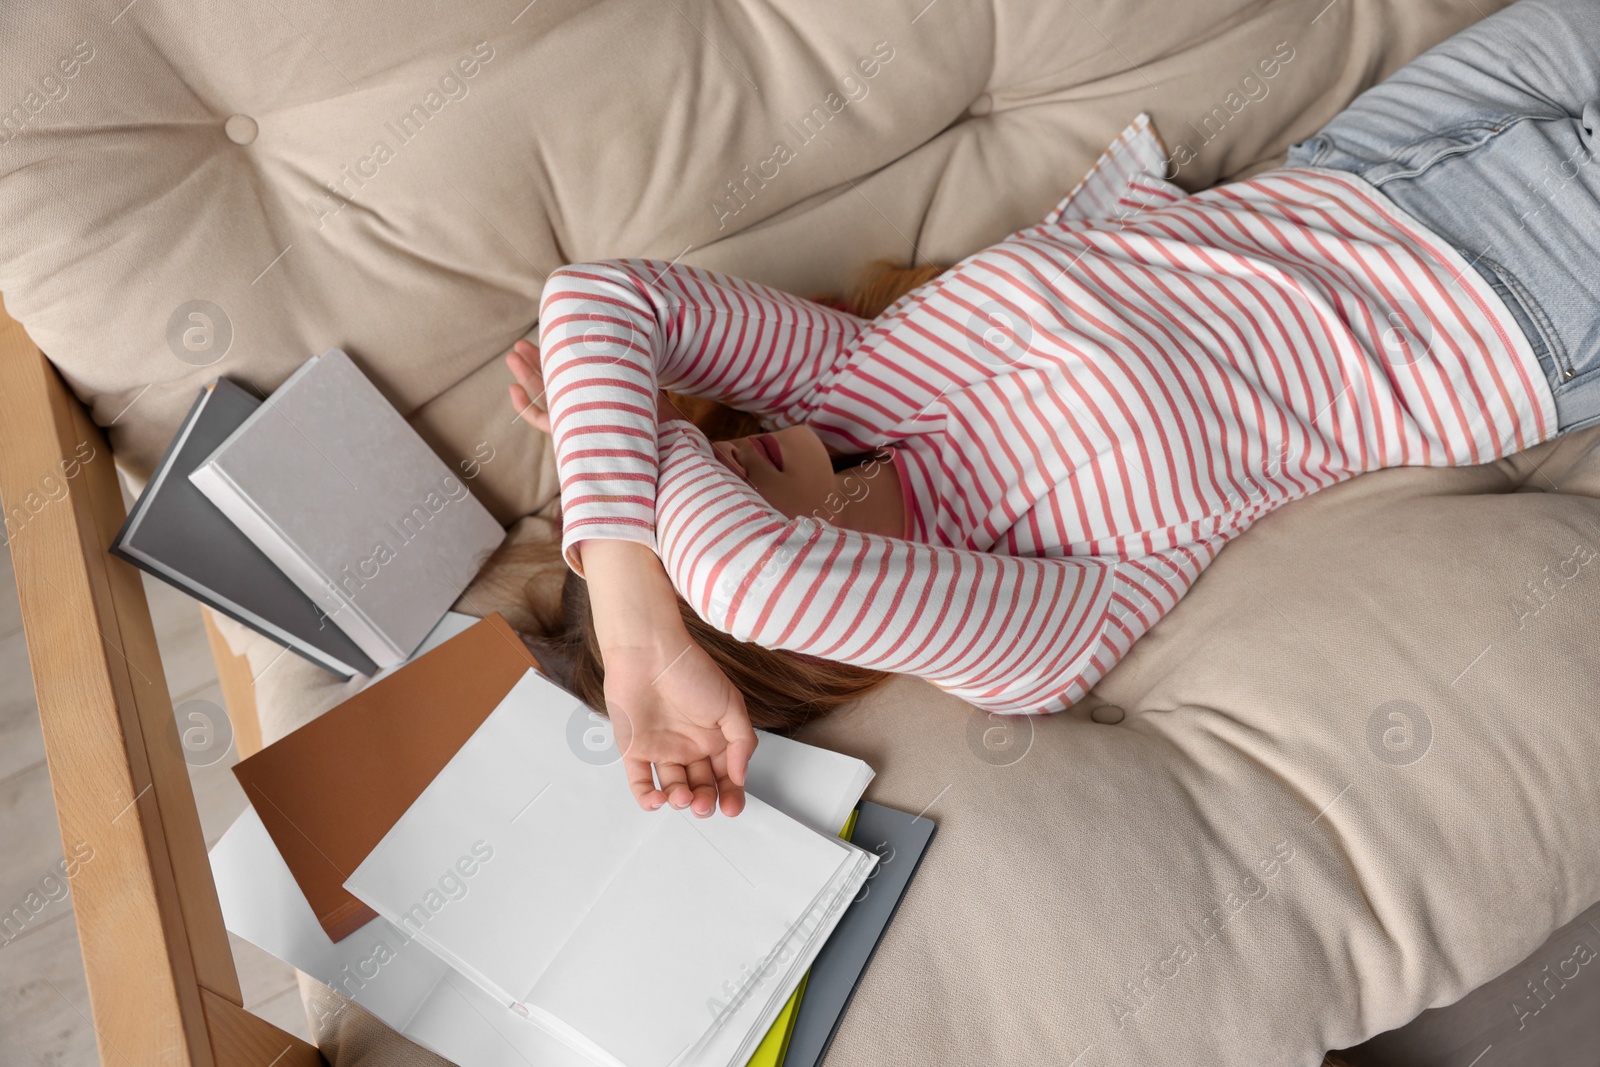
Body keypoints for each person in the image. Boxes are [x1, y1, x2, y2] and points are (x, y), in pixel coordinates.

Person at [500, 0, 1600, 819]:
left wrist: (622, 496)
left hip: (1368, 162)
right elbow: (748, 566)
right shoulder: (1030, 632)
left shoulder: (852, 385)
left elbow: (600, 295)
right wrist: (642, 631)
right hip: (1518, 306)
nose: (703, 458)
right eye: (668, 515)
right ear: (794, 640)